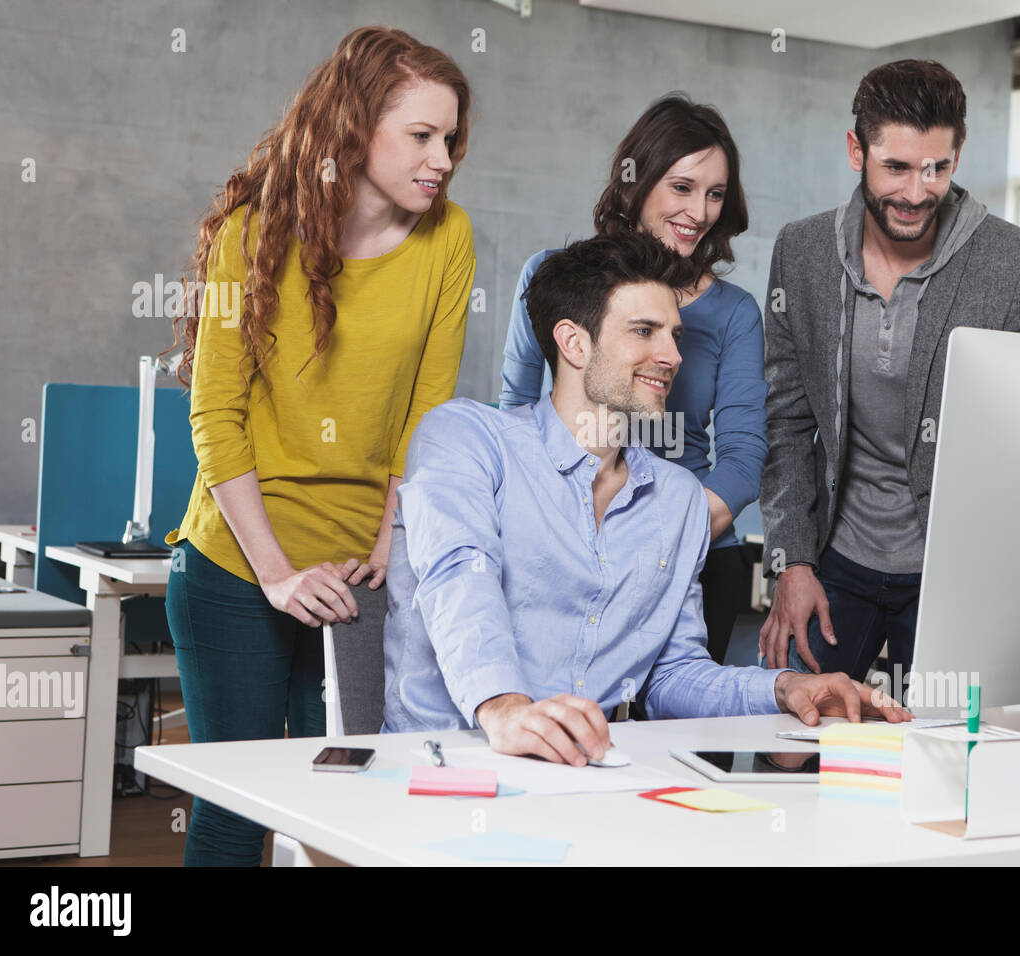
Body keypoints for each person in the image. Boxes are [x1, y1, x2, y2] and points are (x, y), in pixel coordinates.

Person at [383, 233, 908, 757]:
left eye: (674, 335)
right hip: (442, 768)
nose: (673, 356)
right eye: (645, 331)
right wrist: (505, 707)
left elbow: (673, 673)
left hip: (587, 779)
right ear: (574, 343)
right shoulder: (465, 440)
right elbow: (459, 578)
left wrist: (783, 688)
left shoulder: (677, 498)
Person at [162, 26, 476, 865]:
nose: (442, 156)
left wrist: (385, 543)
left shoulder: (449, 240)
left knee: (337, 810)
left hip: (360, 572)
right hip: (239, 565)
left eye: (450, 137)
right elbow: (216, 418)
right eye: (421, 135)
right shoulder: (252, 231)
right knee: (238, 812)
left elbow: (429, 413)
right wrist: (275, 572)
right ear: (354, 128)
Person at [758, 59, 1020, 716]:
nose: (917, 191)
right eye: (897, 168)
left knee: (943, 760)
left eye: (937, 167)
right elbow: (788, 420)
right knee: (792, 750)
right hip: (836, 560)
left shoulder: (1018, 263)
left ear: (957, 153)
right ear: (857, 150)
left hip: (953, 572)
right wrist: (789, 560)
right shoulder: (801, 252)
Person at [498, 94, 767, 667]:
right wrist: (574, 535)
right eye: (682, 187)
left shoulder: (734, 313)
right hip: (563, 547)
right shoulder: (553, 278)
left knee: (681, 737)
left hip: (692, 552)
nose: (699, 211)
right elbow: (516, 412)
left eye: (715, 193)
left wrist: (660, 545)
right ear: (636, 182)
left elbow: (744, 460)